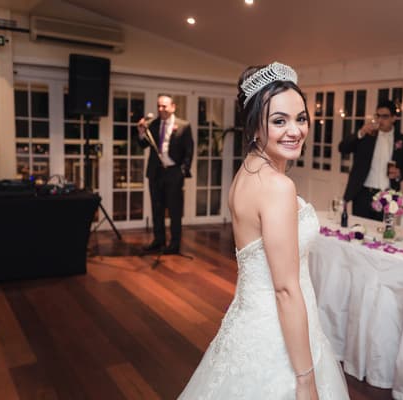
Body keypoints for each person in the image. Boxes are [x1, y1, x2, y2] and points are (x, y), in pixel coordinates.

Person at [178, 62, 349, 399]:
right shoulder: (276, 186)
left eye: (301, 119)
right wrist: (305, 380)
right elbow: (285, 289)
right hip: (276, 334)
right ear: (255, 126)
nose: (295, 131)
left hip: (249, 322)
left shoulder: (246, 174)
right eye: (279, 121)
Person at [339, 99, 403, 220]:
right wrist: (360, 133)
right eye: (377, 116)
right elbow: (343, 148)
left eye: (385, 116)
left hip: (387, 196)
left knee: (381, 234)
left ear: (394, 118)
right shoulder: (367, 135)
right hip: (362, 193)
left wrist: (400, 173)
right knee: (359, 230)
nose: (380, 120)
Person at [137, 94, 194, 255]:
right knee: (157, 208)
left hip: (174, 173)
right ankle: (158, 240)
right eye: (159, 106)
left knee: (175, 210)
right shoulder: (153, 124)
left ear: (173, 107)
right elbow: (143, 145)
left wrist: (183, 171)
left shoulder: (184, 125)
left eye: (164, 106)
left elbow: (189, 151)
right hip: (155, 173)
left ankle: (174, 244)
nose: (161, 109)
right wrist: (141, 132)